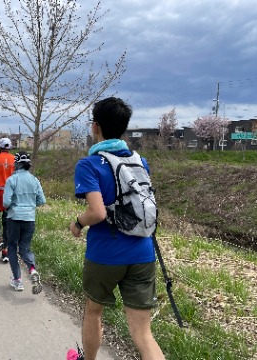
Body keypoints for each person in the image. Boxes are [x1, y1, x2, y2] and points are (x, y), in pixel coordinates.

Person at [66, 97, 165, 360]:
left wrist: (77, 222)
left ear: (94, 126)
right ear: (123, 127)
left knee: (93, 311)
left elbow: (97, 213)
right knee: (144, 334)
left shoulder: (88, 165)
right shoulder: (139, 162)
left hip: (106, 254)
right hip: (143, 253)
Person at [3, 151, 46, 293]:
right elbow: (42, 200)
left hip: (14, 217)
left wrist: (13, 206)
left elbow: (6, 202)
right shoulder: (34, 180)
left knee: (12, 246)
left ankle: (17, 280)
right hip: (29, 218)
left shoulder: (11, 180)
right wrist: (29, 205)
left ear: (18, 164)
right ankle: (32, 269)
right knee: (25, 248)